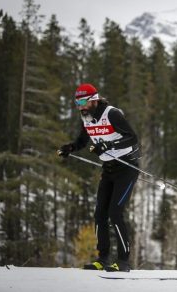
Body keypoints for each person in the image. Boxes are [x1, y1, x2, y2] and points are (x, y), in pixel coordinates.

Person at [57, 83, 140, 272]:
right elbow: (82, 141)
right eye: (77, 102)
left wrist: (108, 146)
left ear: (94, 99)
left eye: (83, 101)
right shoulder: (86, 117)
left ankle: (123, 261)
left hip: (127, 167)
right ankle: (103, 258)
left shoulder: (111, 114)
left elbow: (132, 137)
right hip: (108, 168)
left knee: (115, 212)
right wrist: (69, 148)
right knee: (100, 213)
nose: (80, 106)